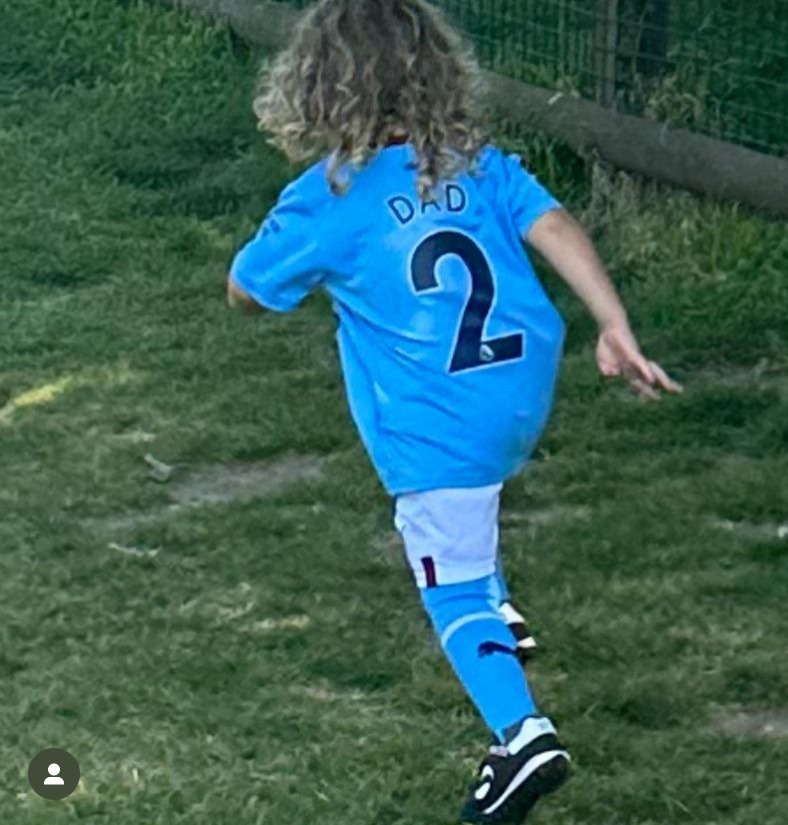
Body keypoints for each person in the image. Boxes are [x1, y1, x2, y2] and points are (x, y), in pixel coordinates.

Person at [227, 0, 681, 821]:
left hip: (438, 430)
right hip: (516, 395)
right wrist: (612, 324)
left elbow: (246, 291)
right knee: (477, 500)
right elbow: (556, 225)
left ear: (316, 87)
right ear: (438, 71)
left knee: (449, 583)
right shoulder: (473, 162)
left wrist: (283, 243)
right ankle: (497, 599)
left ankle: (521, 735)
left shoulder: (327, 196)